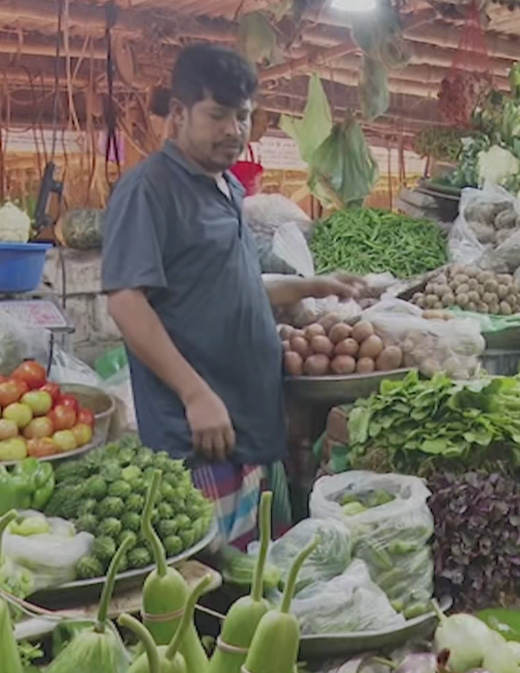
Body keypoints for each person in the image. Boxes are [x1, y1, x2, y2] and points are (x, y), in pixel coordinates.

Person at [102, 44, 361, 549]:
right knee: (217, 589)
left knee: (258, 575)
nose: (233, 130)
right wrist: (195, 394)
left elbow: (233, 285)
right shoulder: (149, 189)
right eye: (217, 115)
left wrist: (314, 284)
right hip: (200, 435)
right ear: (178, 113)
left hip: (248, 424)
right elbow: (126, 302)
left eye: (242, 116)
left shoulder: (227, 189)